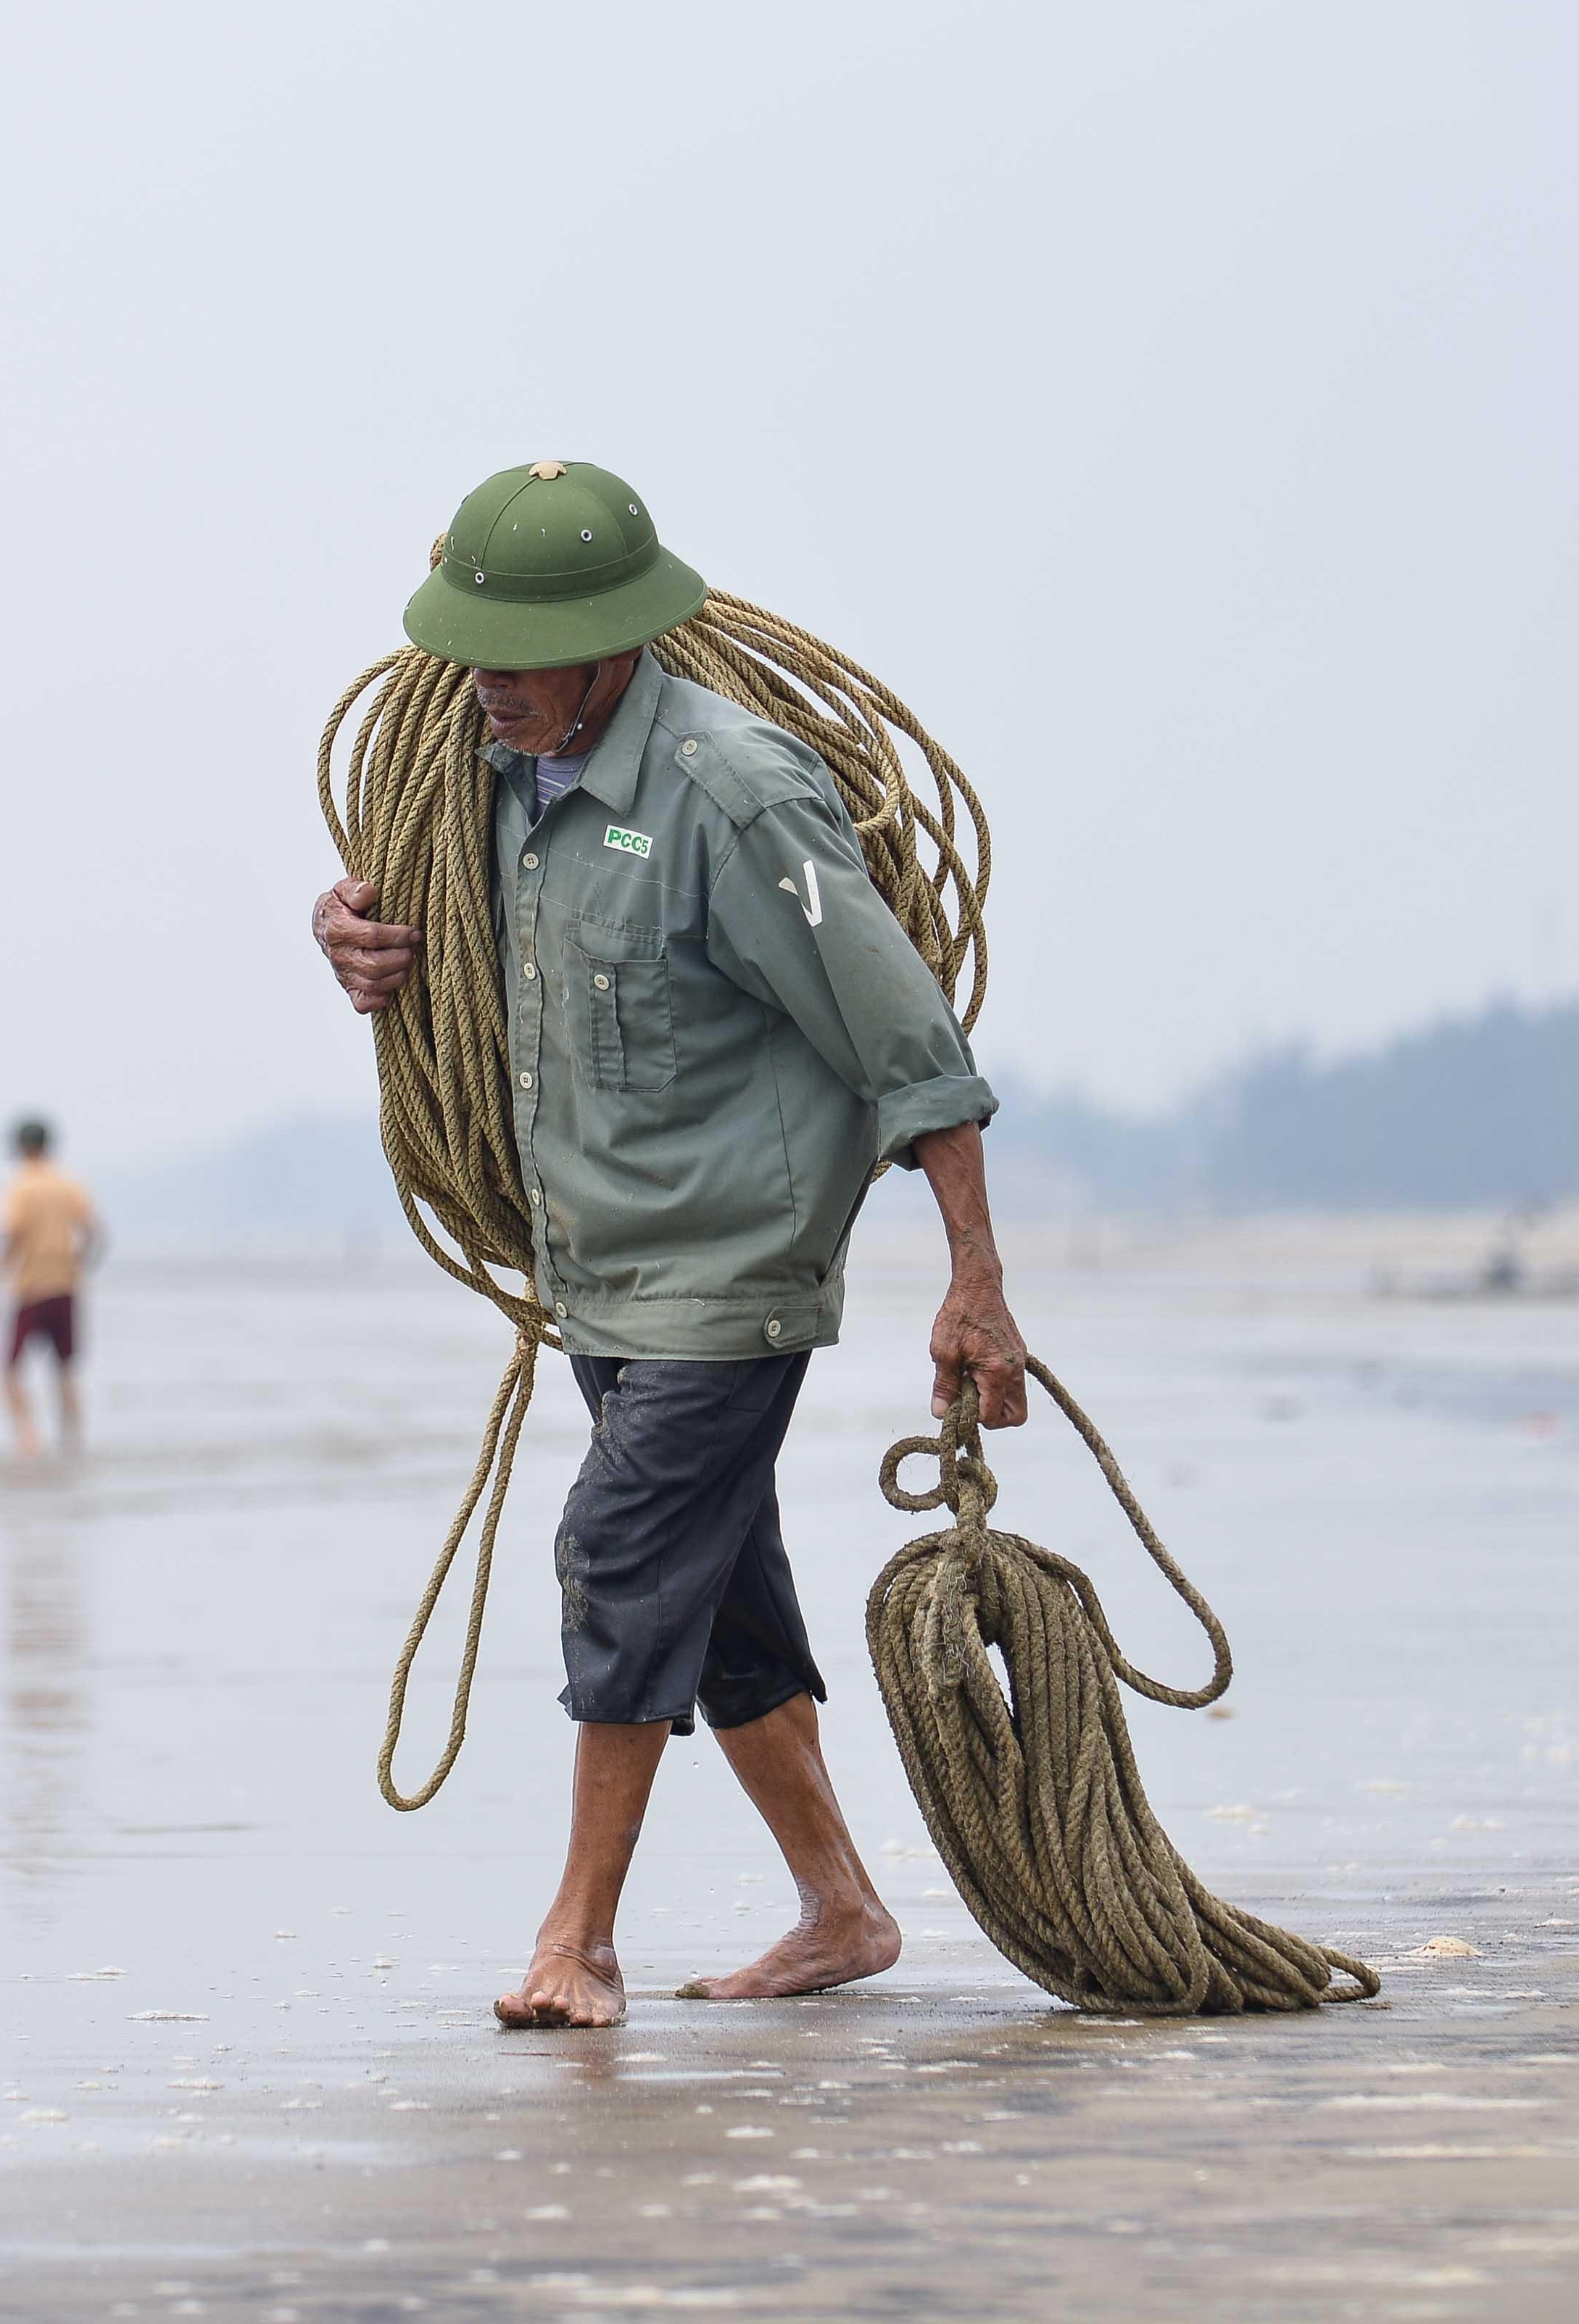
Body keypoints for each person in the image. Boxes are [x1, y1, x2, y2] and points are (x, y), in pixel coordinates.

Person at [310, 457, 1031, 2031]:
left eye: (511, 664)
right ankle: (841, 1906)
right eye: (468, 657)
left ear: (615, 645)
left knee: (623, 1555)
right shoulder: (491, 780)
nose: (478, 690)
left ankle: (580, 1937)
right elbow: (441, 941)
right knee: (715, 1597)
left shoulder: (731, 794)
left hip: (731, 1267)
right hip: (599, 1268)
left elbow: (912, 1048)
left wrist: (977, 1286)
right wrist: (349, 934)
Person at [0, 1120, 101, 1453]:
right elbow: (95, 1235)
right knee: (64, 1370)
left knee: (9, 1371)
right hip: (66, 1287)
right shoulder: (68, 1183)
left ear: (23, 1147)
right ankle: (72, 1441)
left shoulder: (20, 1187)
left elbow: (9, 1236)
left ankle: (28, 1438)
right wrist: (76, 1266)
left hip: (31, 1288)